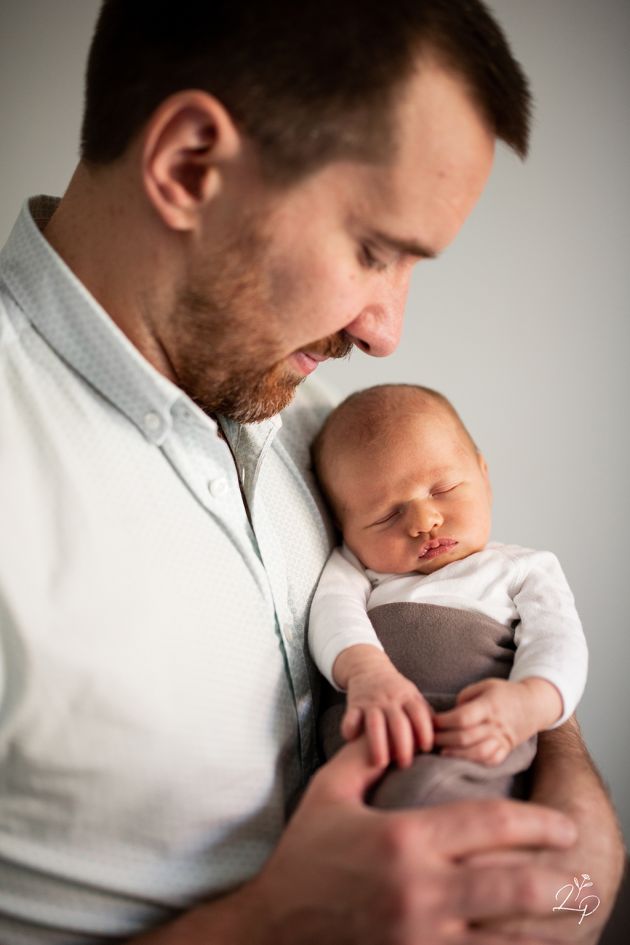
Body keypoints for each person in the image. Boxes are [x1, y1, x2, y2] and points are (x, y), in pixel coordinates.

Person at [0, 1, 623, 943]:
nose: (386, 333)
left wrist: (583, 845)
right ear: (189, 167)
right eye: (375, 251)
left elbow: (483, 617)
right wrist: (271, 925)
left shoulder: (331, 431)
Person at [310, 384, 588, 807]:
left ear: (484, 477)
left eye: (443, 489)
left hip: (479, 734)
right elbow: (332, 614)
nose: (424, 521)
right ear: (343, 528)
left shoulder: (524, 568)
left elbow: (559, 642)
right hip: (381, 735)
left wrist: (528, 702)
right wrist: (367, 673)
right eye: (386, 515)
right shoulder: (357, 569)